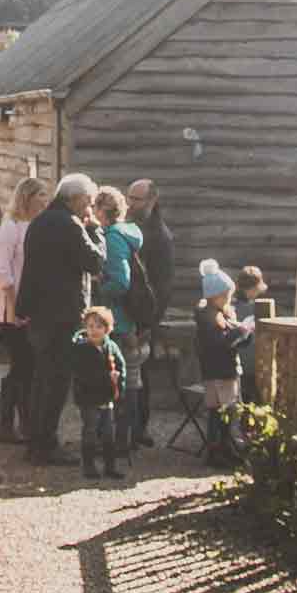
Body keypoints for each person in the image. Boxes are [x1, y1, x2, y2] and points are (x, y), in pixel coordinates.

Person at [16, 173, 105, 466]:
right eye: (88, 202)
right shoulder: (70, 224)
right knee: (56, 381)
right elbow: (95, 262)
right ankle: (46, 445)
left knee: (41, 379)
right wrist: (96, 231)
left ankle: (36, 441)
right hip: (62, 315)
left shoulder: (40, 221)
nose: (89, 207)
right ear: (75, 198)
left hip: (40, 312)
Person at [0, 175, 49, 445]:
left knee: (30, 366)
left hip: (32, 305)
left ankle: (26, 422)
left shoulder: (36, 225)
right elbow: (4, 274)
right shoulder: (10, 227)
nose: (45, 200)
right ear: (27, 197)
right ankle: (7, 424)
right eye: (41, 195)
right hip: (12, 306)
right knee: (21, 365)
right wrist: (15, 311)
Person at [94, 186, 145, 471]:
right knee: (129, 382)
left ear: (103, 210)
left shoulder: (113, 238)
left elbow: (121, 282)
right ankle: (127, 438)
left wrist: (99, 284)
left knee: (116, 384)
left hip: (117, 323)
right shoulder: (130, 233)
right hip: (129, 322)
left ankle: (117, 441)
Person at [125, 179, 176, 447]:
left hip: (145, 315)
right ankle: (129, 427)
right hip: (131, 311)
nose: (131, 203)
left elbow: (163, 285)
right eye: (129, 198)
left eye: (137, 199)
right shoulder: (132, 227)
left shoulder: (159, 236)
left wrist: (149, 322)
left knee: (141, 374)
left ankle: (138, 428)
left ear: (152, 201)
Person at [194, 261, 255, 467]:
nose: (229, 299)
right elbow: (223, 342)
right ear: (215, 296)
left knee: (219, 413)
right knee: (224, 412)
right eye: (226, 296)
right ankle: (221, 450)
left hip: (219, 370)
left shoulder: (218, 315)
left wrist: (244, 334)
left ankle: (221, 449)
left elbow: (231, 340)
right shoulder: (209, 319)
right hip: (220, 371)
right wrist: (240, 331)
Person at [68, 305, 128, 480]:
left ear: (107, 329)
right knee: (90, 431)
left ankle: (110, 466)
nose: (94, 330)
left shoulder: (111, 347)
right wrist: (107, 378)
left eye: (99, 327)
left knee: (109, 433)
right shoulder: (81, 349)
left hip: (107, 397)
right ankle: (89, 466)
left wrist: (119, 384)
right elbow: (83, 375)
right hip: (88, 398)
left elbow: (121, 366)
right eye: (90, 326)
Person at [235, 265, 270, 402]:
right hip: (252, 363)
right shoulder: (255, 308)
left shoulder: (232, 307)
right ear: (251, 289)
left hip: (240, 364)